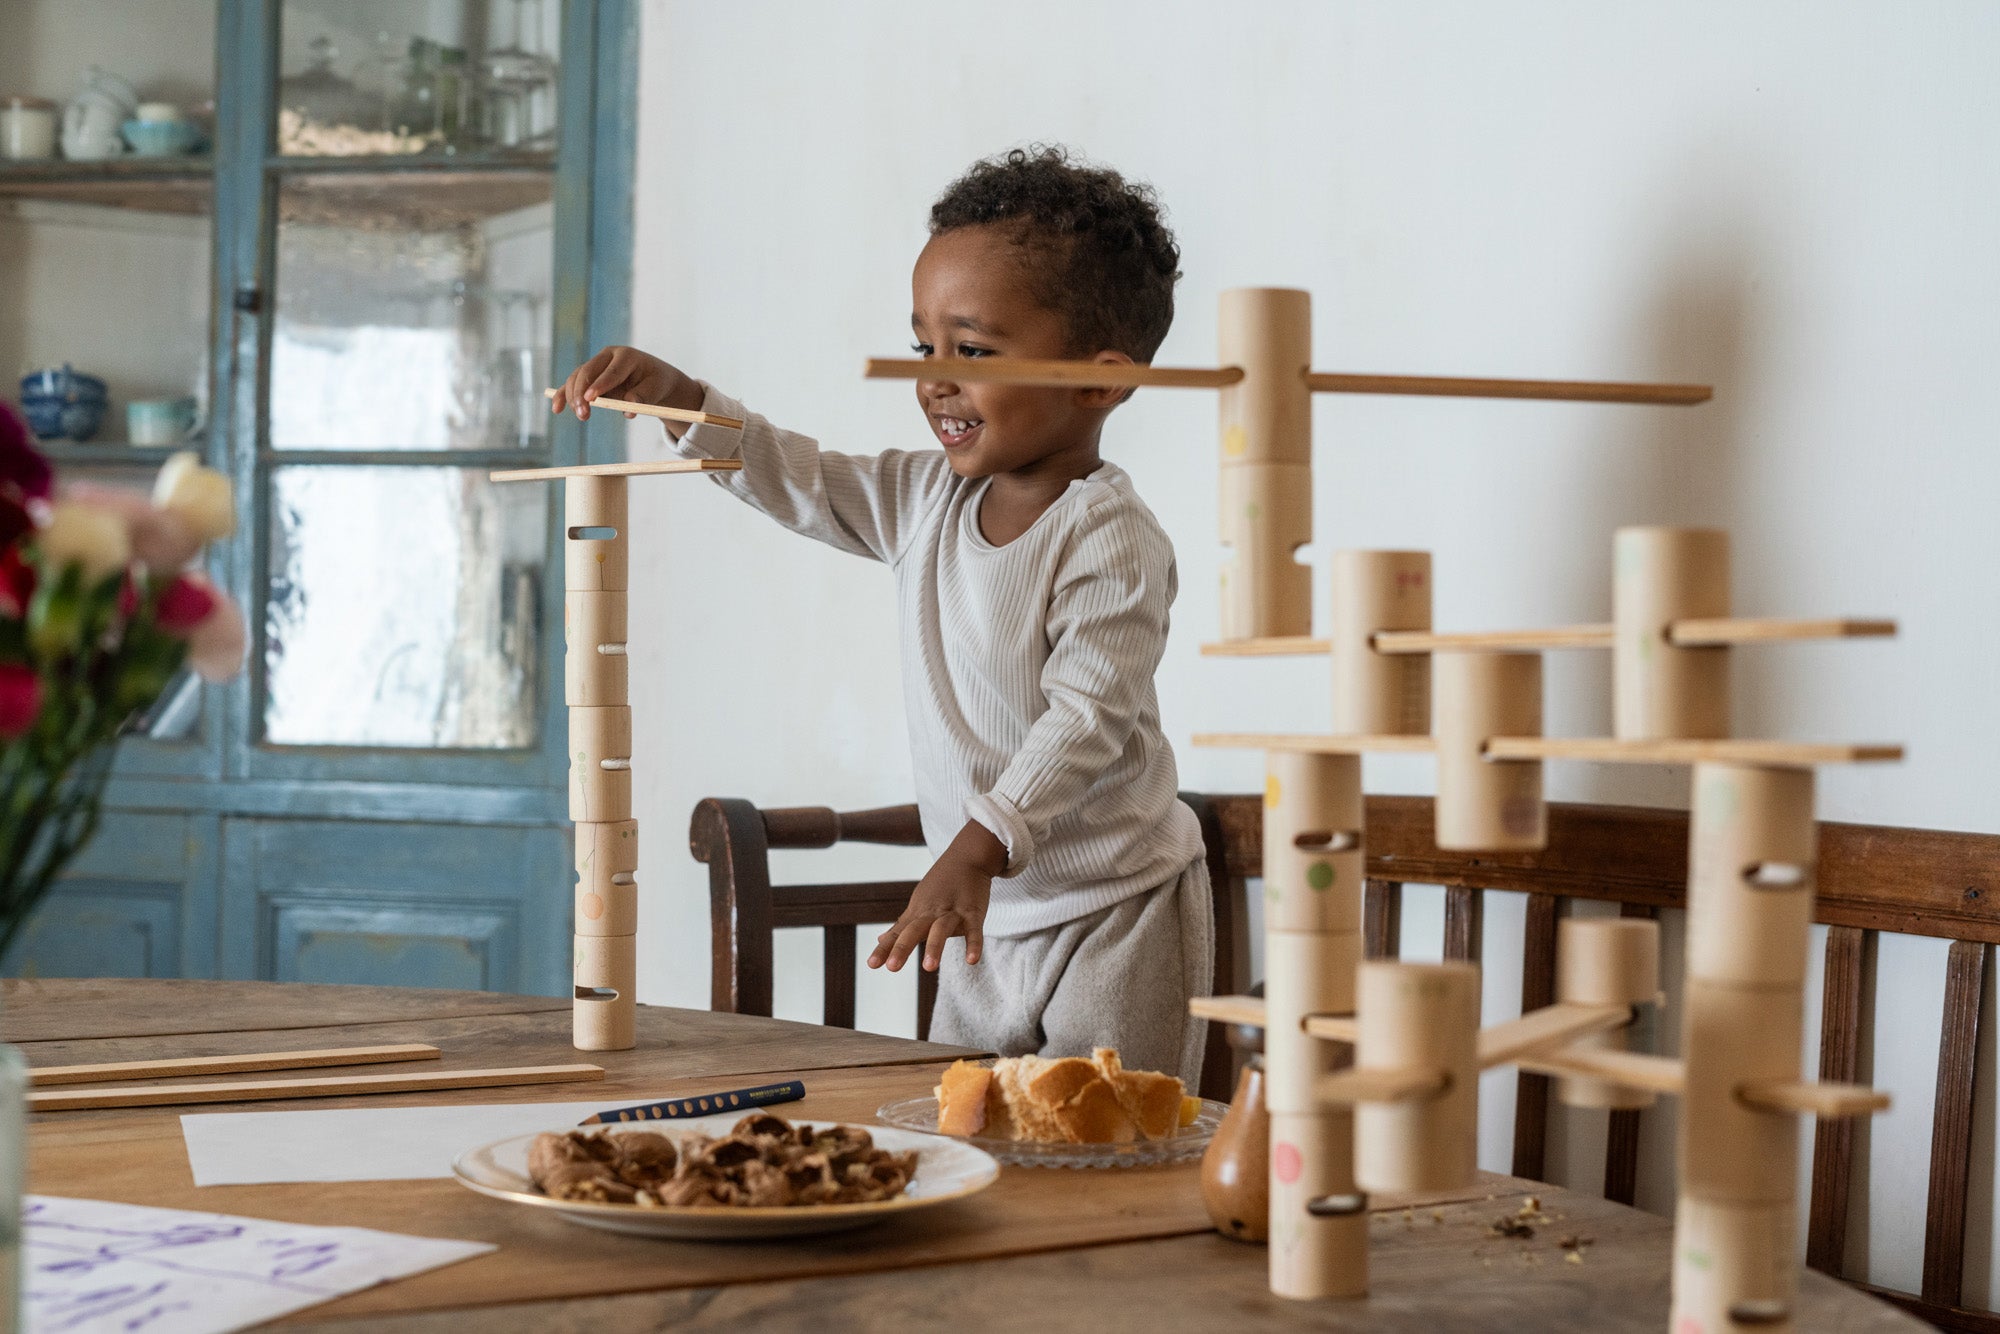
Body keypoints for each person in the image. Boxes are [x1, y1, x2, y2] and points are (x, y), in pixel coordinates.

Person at [551, 146, 1211, 1084]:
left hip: (1109, 907)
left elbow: (1089, 718)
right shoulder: (921, 500)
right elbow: (801, 478)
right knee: (968, 1127)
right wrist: (684, 404)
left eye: (973, 351)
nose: (936, 380)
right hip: (975, 903)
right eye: (924, 347)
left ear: (1100, 382)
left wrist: (976, 849)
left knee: (1108, 1135)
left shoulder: (1110, 538)